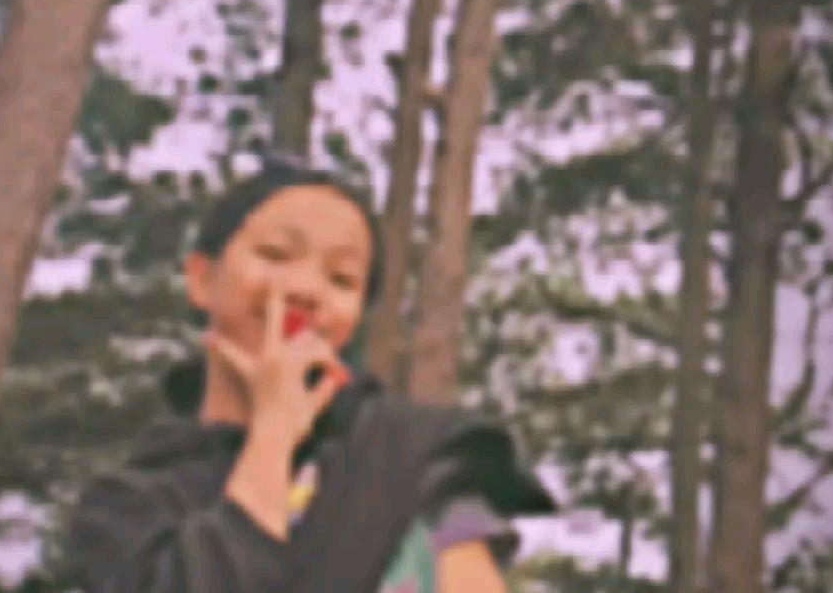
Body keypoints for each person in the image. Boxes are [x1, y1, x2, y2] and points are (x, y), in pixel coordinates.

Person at [65, 156, 555, 593]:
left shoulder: (404, 454)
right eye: (276, 254)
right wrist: (273, 433)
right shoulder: (126, 504)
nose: (305, 289)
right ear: (202, 279)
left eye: (341, 279)